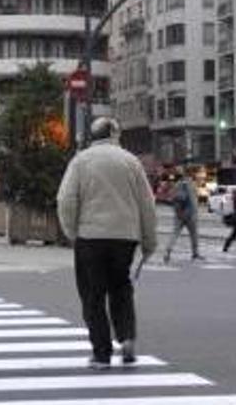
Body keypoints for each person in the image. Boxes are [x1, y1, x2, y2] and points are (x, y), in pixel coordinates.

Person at [56, 117, 158, 370]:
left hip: (90, 237)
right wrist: (149, 241)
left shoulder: (81, 161)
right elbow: (147, 204)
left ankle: (101, 353)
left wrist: (72, 231)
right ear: (114, 133)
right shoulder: (131, 161)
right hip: (125, 237)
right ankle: (126, 338)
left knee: (93, 296)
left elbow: (66, 199)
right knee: (121, 289)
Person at [163, 174, 203, 264]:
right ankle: (195, 253)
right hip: (190, 215)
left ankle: (168, 250)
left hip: (179, 215)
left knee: (175, 233)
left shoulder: (176, 186)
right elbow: (193, 201)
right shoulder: (190, 185)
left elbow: (172, 199)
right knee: (194, 234)